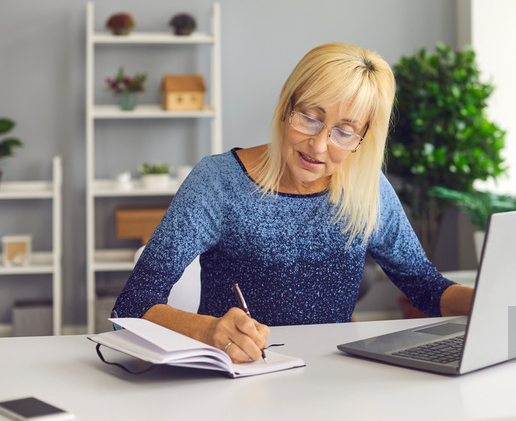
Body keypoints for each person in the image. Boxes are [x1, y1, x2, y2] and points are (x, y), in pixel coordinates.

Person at [112, 43, 474, 364]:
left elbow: (427, 289)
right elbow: (131, 305)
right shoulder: (219, 182)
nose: (318, 146)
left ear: (363, 139)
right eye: (310, 118)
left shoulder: (368, 188)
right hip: (240, 379)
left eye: (344, 133)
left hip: (333, 377)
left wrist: (493, 300)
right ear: (286, 107)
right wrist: (208, 330)